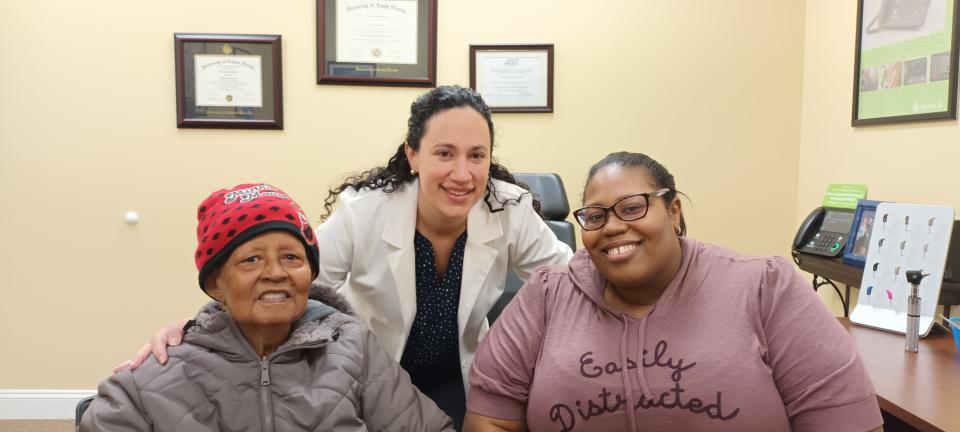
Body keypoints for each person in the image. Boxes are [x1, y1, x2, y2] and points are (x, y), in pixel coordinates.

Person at [118, 86, 574, 429]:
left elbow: (568, 280)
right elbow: (293, 283)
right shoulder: (365, 211)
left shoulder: (507, 206)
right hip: (374, 371)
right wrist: (196, 326)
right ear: (413, 155)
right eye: (444, 153)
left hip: (460, 372)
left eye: (477, 155)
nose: (462, 173)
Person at [463, 152, 884, 432]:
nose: (612, 227)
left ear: (674, 211)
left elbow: (845, 420)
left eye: (632, 208)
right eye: (594, 216)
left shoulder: (765, 287)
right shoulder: (547, 295)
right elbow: (489, 418)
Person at [82, 183, 452, 431]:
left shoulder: (354, 348)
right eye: (251, 261)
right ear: (215, 284)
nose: (276, 273)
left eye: (292, 258)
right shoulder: (151, 379)